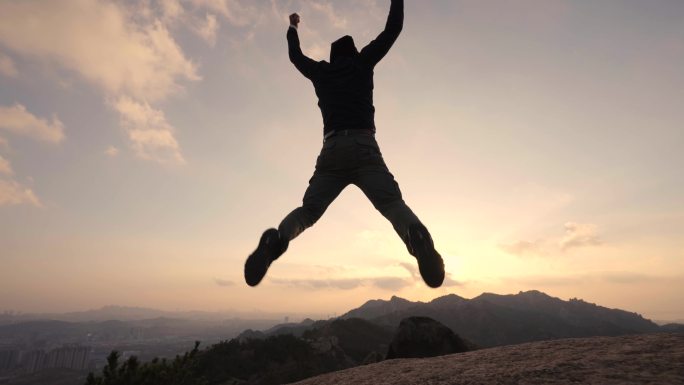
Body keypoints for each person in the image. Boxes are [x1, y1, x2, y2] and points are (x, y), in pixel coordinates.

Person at [245, 0, 445, 288]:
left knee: (309, 212)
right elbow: (393, 29)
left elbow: (295, 57)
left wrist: (292, 27)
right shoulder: (363, 62)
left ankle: (277, 240)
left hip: (331, 152)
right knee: (391, 204)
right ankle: (417, 237)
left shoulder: (321, 72)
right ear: (353, 52)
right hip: (364, 147)